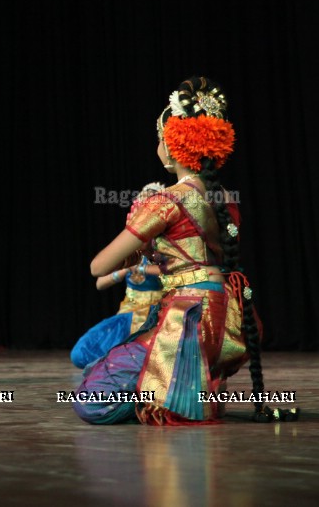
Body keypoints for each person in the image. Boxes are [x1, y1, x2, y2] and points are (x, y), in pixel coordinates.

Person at [75, 77, 284, 425]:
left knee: (89, 400)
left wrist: (139, 233)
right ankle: (190, 391)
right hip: (225, 316)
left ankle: (170, 394)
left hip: (186, 316)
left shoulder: (165, 201)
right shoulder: (225, 200)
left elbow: (99, 266)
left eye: (159, 139)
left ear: (172, 147)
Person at [70, 185, 165, 369]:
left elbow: (174, 269)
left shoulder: (164, 244)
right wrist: (124, 270)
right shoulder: (130, 244)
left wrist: (143, 268)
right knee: (81, 353)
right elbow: (100, 283)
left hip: (157, 315)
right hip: (127, 315)